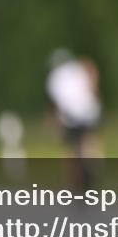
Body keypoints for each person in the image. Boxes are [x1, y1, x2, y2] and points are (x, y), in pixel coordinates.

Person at [46, 48, 103, 191]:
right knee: (89, 140)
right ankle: (93, 166)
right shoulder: (80, 68)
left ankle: (75, 180)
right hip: (89, 111)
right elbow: (92, 74)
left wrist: (55, 123)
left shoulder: (54, 77)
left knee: (70, 149)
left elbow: (57, 103)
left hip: (70, 116)